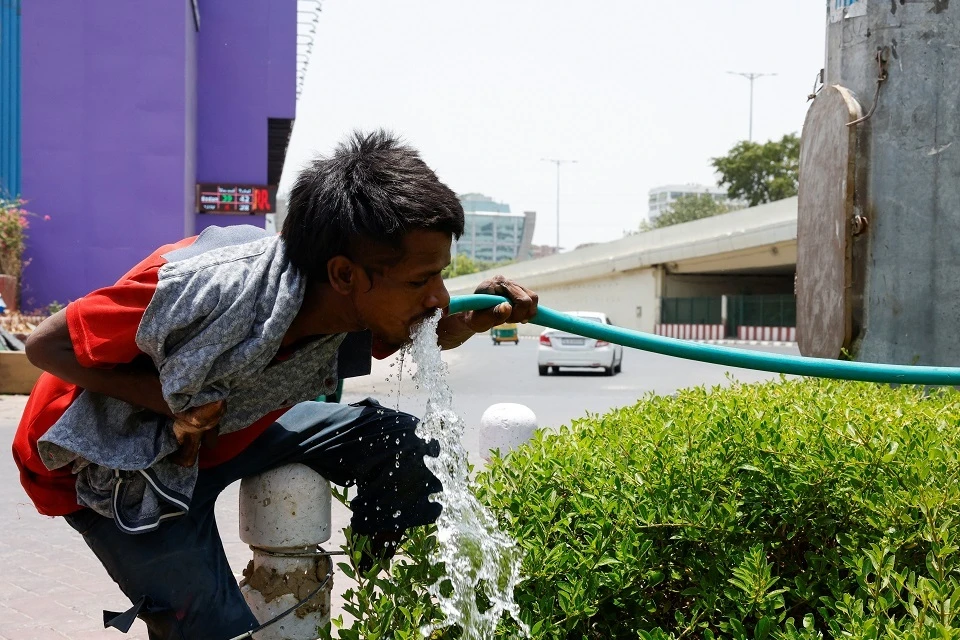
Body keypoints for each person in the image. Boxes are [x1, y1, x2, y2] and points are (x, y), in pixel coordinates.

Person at [12, 130, 538, 639]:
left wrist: (473, 321)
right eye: (421, 281)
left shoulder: (343, 305)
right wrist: (170, 404)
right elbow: (45, 346)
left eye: (440, 275)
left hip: (230, 428)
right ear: (344, 275)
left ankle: (370, 583)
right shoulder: (204, 287)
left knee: (408, 445)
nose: (439, 297)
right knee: (213, 628)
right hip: (111, 463)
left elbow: (415, 333)